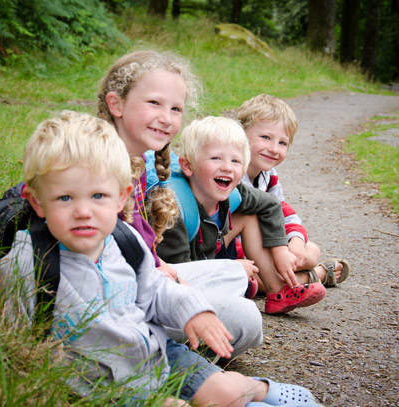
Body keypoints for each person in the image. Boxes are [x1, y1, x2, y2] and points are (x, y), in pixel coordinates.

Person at [0, 110, 323, 407]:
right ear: (37, 202)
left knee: (228, 393)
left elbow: (155, 289)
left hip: (158, 356)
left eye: (98, 196)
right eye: (65, 197)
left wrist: (192, 312)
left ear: (121, 197)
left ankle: (255, 389)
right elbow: (20, 350)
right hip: (99, 383)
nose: (84, 211)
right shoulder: (30, 263)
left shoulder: (126, 242)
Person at [97, 49, 262, 356]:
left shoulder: (139, 164)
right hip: (114, 296)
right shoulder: (98, 161)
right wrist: (154, 269)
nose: (166, 118)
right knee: (246, 319)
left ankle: (169, 341)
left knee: (235, 274)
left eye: (176, 109)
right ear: (116, 103)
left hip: (143, 281)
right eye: (154, 103)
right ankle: (164, 351)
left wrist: (157, 265)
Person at [156, 116, 327, 315]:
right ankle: (307, 276)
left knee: (250, 217)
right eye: (216, 158)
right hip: (183, 273)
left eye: (235, 161)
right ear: (188, 166)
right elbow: (181, 275)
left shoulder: (235, 191)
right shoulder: (173, 210)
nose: (227, 167)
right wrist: (230, 270)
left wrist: (280, 250)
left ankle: (278, 291)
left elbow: (271, 204)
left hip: (210, 249)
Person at [236, 94, 350, 288]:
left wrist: (295, 242)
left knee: (311, 251)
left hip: (267, 244)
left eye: (282, 143)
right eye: (265, 137)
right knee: (257, 280)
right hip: (239, 251)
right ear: (240, 134)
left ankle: (293, 273)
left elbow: (283, 214)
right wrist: (270, 257)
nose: (274, 149)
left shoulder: (269, 175)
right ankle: (316, 276)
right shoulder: (231, 172)